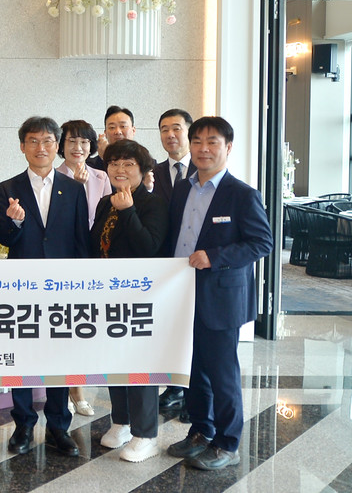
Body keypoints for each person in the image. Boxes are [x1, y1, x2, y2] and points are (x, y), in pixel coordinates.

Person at [165, 116, 273, 471]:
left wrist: (214, 256)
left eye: (212, 142)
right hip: (182, 294)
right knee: (193, 368)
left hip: (221, 298)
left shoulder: (242, 194)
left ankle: (228, 444)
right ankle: (201, 430)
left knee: (221, 373)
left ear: (228, 147)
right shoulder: (183, 188)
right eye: (197, 141)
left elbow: (262, 243)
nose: (203, 149)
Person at [0, 116, 88, 457]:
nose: (41, 147)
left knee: (59, 357)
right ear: (22, 146)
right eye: (33, 141)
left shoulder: (74, 189)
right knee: (23, 356)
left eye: (48, 141)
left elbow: (81, 241)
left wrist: (81, 287)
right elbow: (3, 239)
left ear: (57, 145)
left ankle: (59, 426)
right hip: (23, 288)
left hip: (63, 288)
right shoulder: (7, 188)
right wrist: (15, 222)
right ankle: (23, 424)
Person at [90, 139, 169, 463]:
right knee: (114, 360)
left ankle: (145, 434)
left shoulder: (153, 204)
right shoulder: (104, 203)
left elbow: (149, 246)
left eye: (128, 164)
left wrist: (128, 211)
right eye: (114, 163)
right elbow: (96, 246)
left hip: (141, 298)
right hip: (108, 295)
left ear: (143, 170)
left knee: (140, 365)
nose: (119, 169)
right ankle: (121, 422)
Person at [55, 119, 112, 417]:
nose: (78, 147)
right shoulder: (53, 177)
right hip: (64, 261)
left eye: (84, 142)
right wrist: (74, 189)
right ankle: (65, 392)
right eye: (72, 141)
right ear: (61, 145)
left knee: (81, 330)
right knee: (61, 329)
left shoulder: (102, 176)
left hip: (93, 260)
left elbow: (107, 220)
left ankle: (77, 389)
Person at [151, 108, 196, 414]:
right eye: (164, 129)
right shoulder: (151, 172)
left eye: (177, 128)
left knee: (195, 331)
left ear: (189, 132)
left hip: (194, 264)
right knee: (169, 329)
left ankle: (194, 394)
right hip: (163, 265)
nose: (170, 135)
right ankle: (174, 386)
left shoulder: (202, 170)